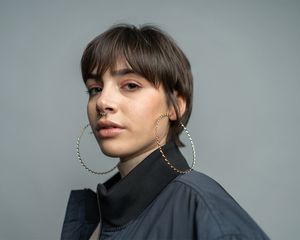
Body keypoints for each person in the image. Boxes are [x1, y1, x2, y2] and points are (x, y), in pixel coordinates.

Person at [61, 24, 270, 240]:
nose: (103, 102)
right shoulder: (99, 218)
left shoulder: (203, 209)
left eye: (130, 85)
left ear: (175, 106)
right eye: (95, 89)